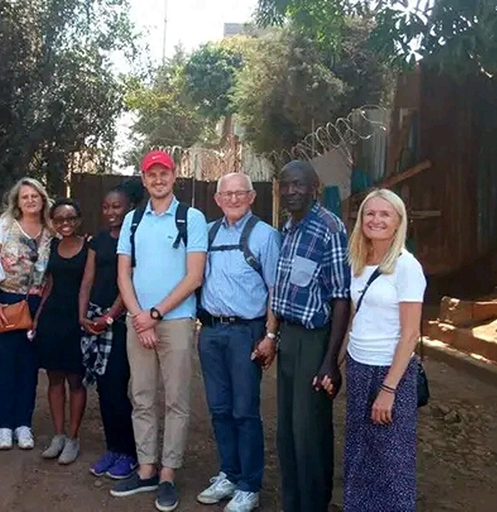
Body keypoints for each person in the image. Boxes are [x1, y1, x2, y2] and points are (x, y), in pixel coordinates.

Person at [111, 151, 208, 512]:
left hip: (177, 322)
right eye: (151, 174)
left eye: (163, 172)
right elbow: (124, 274)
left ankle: (168, 474)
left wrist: (155, 314)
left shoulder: (191, 218)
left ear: (174, 175)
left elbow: (194, 276)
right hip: (139, 323)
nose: (158, 179)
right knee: (142, 396)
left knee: (177, 401)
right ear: (143, 178)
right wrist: (139, 317)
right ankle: (147, 468)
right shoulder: (133, 221)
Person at [195, 173, 281, 512]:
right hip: (212, 331)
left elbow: (275, 289)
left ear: (251, 197)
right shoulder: (209, 233)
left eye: (240, 193)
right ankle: (228, 473)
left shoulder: (265, 236)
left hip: (247, 332)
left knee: (245, 410)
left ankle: (249, 485)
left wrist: (271, 335)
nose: (233, 199)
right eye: (226, 194)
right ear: (217, 200)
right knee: (218, 409)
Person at [271, 160, 351, 512]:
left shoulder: (330, 228)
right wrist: (273, 338)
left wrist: (330, 360)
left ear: (314, 188)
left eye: (299, 185)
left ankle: (314, 504)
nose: (291, 191)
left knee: (310, 433)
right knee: (287, 433)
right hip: (289, 338)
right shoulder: (288, 228)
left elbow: (341, 297)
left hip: (315, 340)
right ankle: (293, 503)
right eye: (286, 185)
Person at [342, 189, 425, 512]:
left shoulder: (407, 267)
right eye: (370, 214)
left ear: (398, 222)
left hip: (391, 372)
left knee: (392, 458)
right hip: (359, 366)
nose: (376, 220)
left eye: (385, 214)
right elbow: (355, 317)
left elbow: (410, 334)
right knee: (360, 450)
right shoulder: (358, 262)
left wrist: (389, 389)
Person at [0, 178, 53, 451]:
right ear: (17, 201)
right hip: (6, 301)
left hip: (37, 303)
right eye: (25, 197)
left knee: (29, 366)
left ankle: (24, 424)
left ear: (43, 199)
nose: (31, 200)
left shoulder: (51, 229)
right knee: (6, 363)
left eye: (35, 196)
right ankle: (5, 425)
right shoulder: (5, 224)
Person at [79, 182, 142, 480]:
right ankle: (112, 448)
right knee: (104, 390)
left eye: (116, 206)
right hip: (94, 320)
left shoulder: (136, 239)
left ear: (128, 207)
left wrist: (110, 316)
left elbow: (127, 281)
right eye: (106, 207)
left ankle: (129, 453)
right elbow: (87, 281)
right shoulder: (98, 241)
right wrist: (83, 316)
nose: (111, 212)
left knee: (118, 388)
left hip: (119, 323)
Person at [35, 198, 88, 465]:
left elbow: (86, 287)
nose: (65, 224)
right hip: (52, 318)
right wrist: (37, 317)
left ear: (78, 220)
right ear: (53, 222)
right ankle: (58, 435)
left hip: (76, 320)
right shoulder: (52, 247)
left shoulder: (88, 248)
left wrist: (84, 319)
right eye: (59, 220)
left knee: (75, 380)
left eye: (70, 219)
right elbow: (49, 284)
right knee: (55, 379)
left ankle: (73, 438)